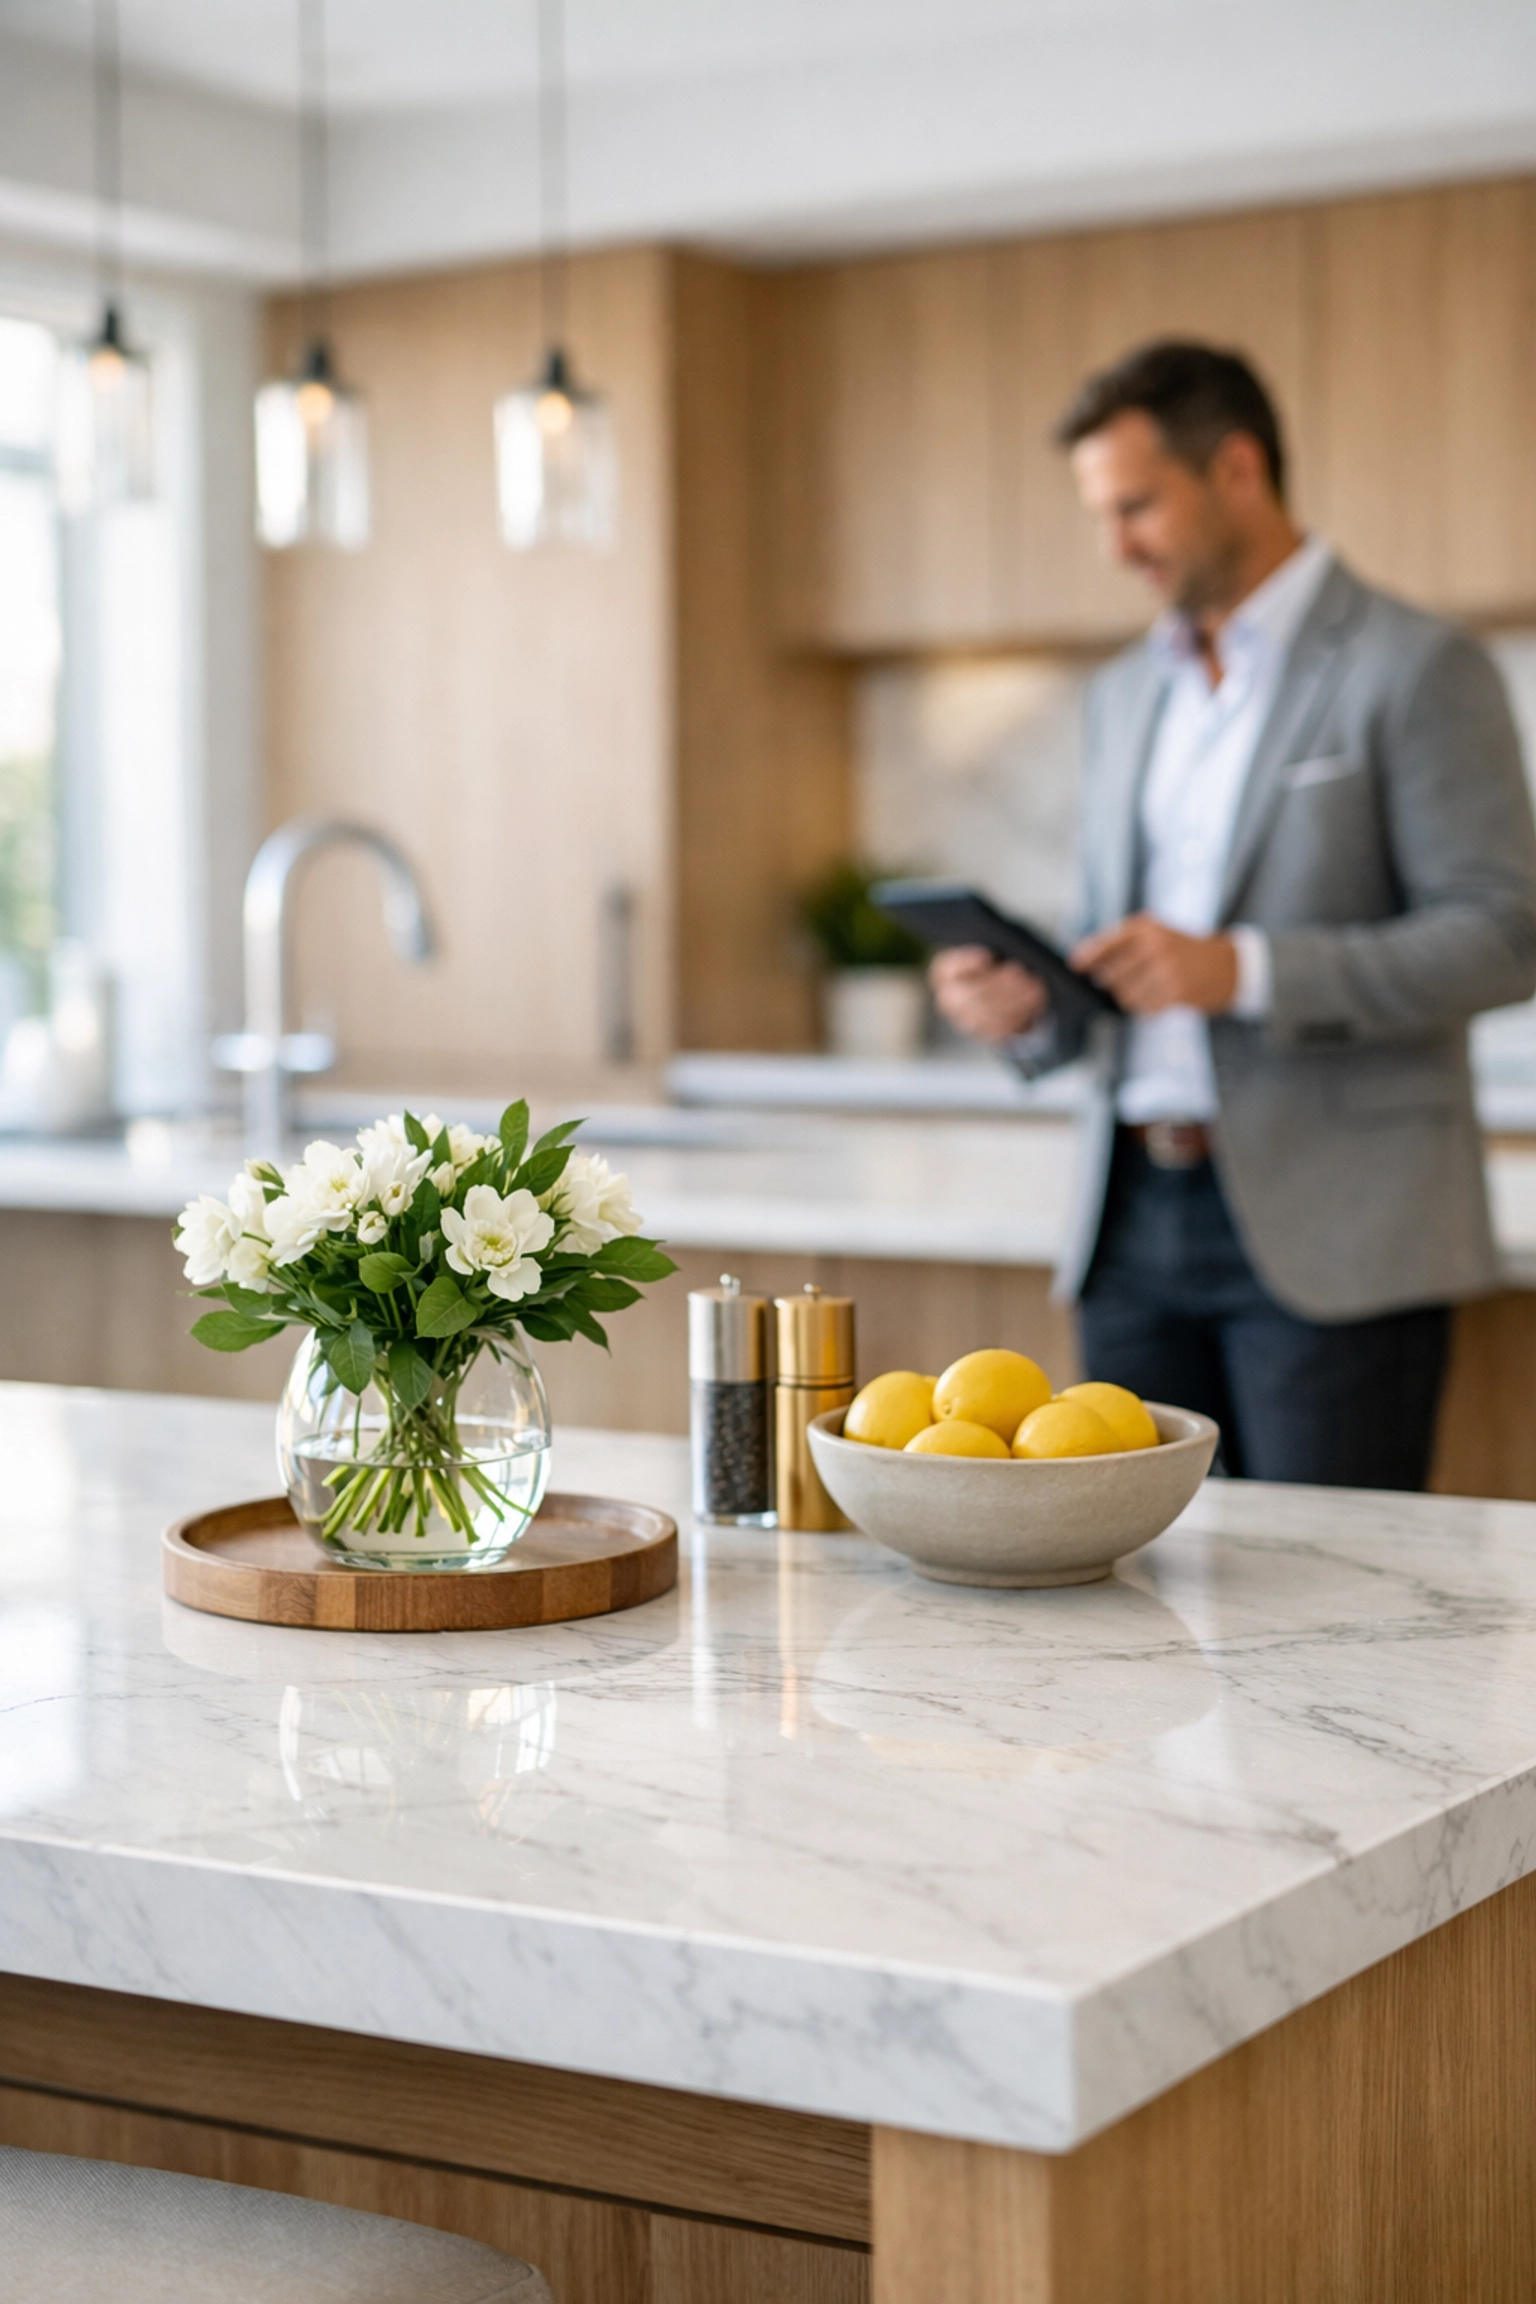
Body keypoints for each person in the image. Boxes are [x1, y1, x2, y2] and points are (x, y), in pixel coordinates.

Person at [932, 339, 1536, 1488]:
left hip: (1336, 1236)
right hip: (1126, 1226)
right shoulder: (1121, 694)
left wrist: (1246, 972)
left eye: (1139, 508)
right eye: (1101, 516)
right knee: (1129, 1616)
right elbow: (1129, 960)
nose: (1116, 548)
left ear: (1240, 469)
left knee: (1323, 1624)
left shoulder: (1416, 668)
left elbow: (1505, 933)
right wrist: (1030, 1007)